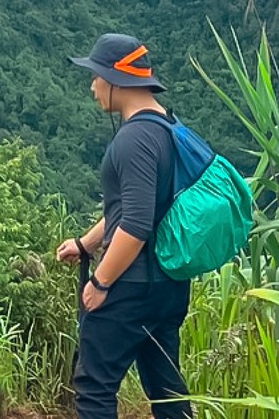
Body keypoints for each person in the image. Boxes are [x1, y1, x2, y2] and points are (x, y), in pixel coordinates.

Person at [55, 33, 192, 419]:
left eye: (96, 75)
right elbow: (132, 206)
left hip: (129, 287)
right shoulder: (168, 128)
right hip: (168, 286)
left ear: (115, 79)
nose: (92, 85)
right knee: (166, 388)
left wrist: (100, 282)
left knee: (95, 388)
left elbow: (134, 224)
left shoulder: (134, 139)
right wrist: (85, 244)